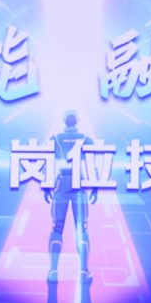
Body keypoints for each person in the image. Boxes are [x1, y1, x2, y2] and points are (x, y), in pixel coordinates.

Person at [45, 110, 96, 283]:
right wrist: (95, 187)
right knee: (82, 228)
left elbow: (47, 163)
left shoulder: (55, 139)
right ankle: (84, 272)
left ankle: (53, 271)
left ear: (64, 121)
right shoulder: (86, 139)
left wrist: (47, 187)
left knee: (56, 227)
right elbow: (92, 164)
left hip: (60, 184)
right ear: (77, 121)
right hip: (78, 185)